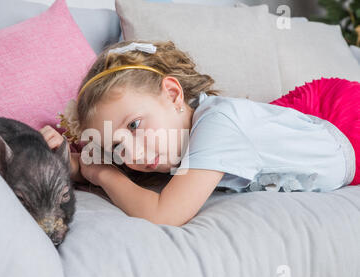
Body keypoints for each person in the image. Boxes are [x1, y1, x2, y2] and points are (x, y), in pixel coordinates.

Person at [39, 40, 359, 227]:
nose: (132, 154)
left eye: (135, 125)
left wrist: (104, 175)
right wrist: (72, 163)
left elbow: (164, 214)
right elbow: (101, 160)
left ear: (174, 95)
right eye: (116, 147)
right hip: (300, 121)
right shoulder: (169, 142)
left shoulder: (215, 128)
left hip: (344, 123)